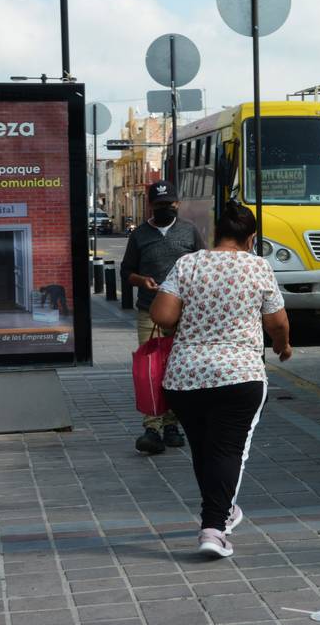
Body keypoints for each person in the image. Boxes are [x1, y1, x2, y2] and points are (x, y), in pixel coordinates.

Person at [150, 201, 292, 558]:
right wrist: (283, 346)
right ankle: (214, 529)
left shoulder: (188, 263)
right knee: (228, 451)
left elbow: (163, 316)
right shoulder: (258, 267)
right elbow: (276, 322)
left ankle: (221, 512)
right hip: (239, 375)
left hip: (186, 377)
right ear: (251, 238)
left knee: (204, 451)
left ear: (217, 234)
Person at [120, 180, 205, 454]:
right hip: (150, 312)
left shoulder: (189, 231)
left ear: (177, 204)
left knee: (176, 368)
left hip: (183, 314)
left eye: (169, 204)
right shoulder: (140, 235)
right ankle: (152, 428)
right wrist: (141, 280)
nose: (165, 208)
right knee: (151, 369)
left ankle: (172, 425)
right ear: (150, 206)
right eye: (159, 205)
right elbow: (126, 271)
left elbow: (203, 267)